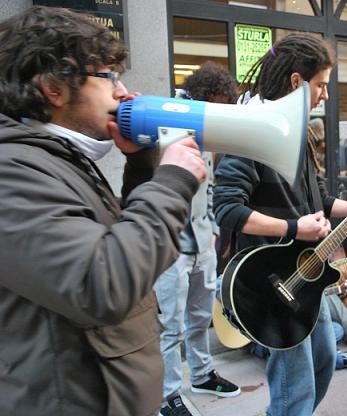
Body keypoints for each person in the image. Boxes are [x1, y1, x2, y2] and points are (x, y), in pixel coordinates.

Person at [0, 6, 208, 416]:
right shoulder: (11, 171)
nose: (121, 90)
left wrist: (143, 166)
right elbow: (104, 283)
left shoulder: (51, 157)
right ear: (53, 88)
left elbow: (118, 241)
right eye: (107, 76)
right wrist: (171, 182)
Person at [213, 33, 347, 416]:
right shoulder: (251, 130)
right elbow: (227, 209)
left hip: (304, 275)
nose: (325, 95)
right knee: (294, 390)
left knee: (324, 361)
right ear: (296, 82)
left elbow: (319, 203)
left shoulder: (297, 135)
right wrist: (296, 230)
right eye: (321, 85)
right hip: (270, 282)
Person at [154, 62, 240, 416]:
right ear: (208, 95)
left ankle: (202, 374)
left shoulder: (205, 125)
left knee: (199, 317)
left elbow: (210, 180)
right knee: (169, 325)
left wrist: (215, 231)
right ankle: (167, 394)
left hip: (202, 240)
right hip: (171, 245)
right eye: (221, 103)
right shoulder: (165, 118)